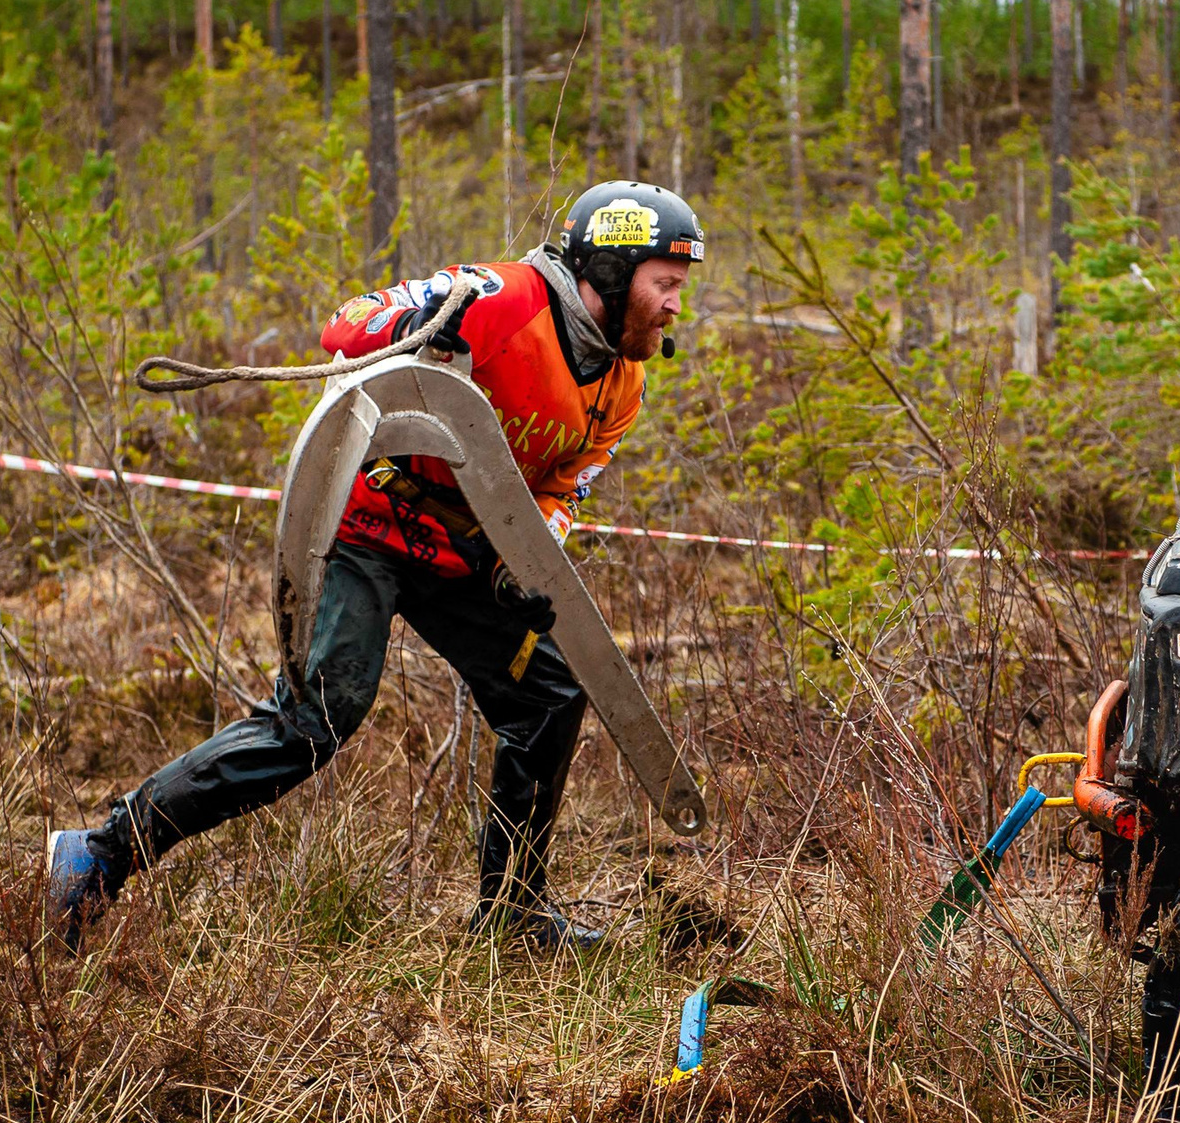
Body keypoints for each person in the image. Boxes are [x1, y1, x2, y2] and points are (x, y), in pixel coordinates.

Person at [44, 181, 701, 949]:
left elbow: (561, 489)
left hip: (462, 550)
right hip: (368, 524)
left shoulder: (622, 382)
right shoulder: (498, 298)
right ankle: (98, 854)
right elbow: (344, 325)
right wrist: (418, 319)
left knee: (549, 696)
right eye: (666, 285)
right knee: (316, 719)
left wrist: (525, 561)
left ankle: (513, 914)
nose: (675, 306)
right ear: (616, 270)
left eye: (679, 289)